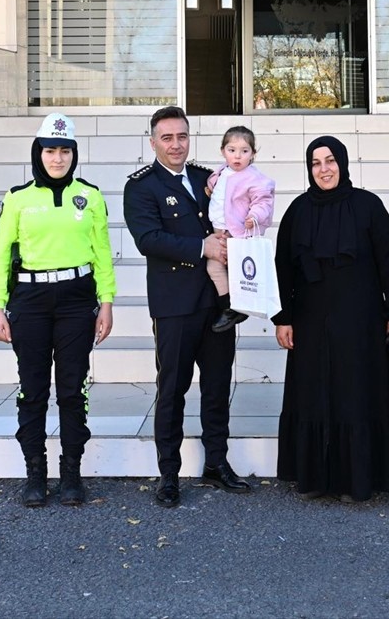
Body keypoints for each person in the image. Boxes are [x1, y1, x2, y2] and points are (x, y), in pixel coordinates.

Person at [123, 106, 251, 508]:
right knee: (172, 389)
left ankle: (216, 463)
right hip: (175, 305)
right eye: (167, 138)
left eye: (182, 136)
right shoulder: (141, 186)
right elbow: (149, 239)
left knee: (216, 388)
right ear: (153, 142)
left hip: (217, 301)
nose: (176, 144)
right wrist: (202, 247)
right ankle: (169, 474)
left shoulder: (206, 177)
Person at [0, 113, 115, 508]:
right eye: (50, 150)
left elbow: (103, 254)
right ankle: (35, 474)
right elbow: (1, 255)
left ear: (74, 155)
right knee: (33, 390)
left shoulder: (90, 196)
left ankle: (72, 473)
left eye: (64, 151)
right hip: (30, 302)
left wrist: (106, 302)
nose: (57, 159)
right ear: (37, 153)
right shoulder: (18, 198)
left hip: (77, 301)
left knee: (73, 389)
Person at [273, 136, 389, 501]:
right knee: (313, 393)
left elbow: (388, 262)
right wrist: (282, 317)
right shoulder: (297, 210)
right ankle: (315, 478)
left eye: (330, 160)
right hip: (310, 321)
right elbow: (282, 267)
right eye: (316, 163)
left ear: (343, 163)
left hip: (361, 319)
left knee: (357, 393)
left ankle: (357, 480)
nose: (324, 169)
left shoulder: (368, 206)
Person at [205, 125, 277, 334]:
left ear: (253, 154)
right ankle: (230, 304)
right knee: (215, 268)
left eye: (244, 151)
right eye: (232, 150)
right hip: (218, 232)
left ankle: (232, 307)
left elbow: (263, 199)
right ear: (223, 151)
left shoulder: (254, 178)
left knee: (234, 268)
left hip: (236, 234)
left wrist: (254, 216)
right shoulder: (220, 173)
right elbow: (217, 187)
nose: (238, 156)